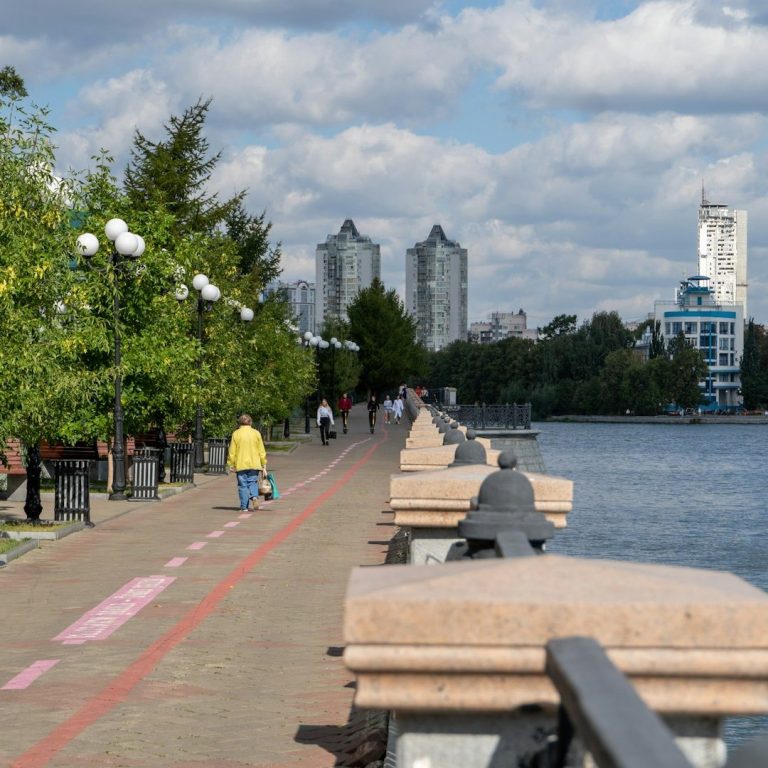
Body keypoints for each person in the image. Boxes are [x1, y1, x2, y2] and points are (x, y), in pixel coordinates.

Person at [227, 414, 267, 512]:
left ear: (239, 423)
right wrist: (263, 464)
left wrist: (231, 464)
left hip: (241, 464)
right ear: (251, 422)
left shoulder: (236, 434)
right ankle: (254, 497)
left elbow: (232, 451)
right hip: (254, 464)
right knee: (253, 482)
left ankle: (244, 507)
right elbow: (261, 451)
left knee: (243, 485)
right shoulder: (256, 433)